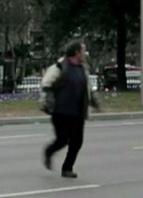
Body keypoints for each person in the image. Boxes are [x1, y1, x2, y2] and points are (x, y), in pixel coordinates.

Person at [41, 41, 99, 179]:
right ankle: (49, 151)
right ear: (76, 52)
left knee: (77, 142)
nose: (84, 54)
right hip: (60, 111)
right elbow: (46, 83)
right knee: (62, 140)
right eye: (83, 51)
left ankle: (67, 168)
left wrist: (94, 102)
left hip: (77, 112)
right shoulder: (60, 67)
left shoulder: (82, 69)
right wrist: (48, 102)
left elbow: (87, 89)